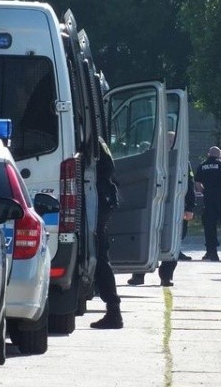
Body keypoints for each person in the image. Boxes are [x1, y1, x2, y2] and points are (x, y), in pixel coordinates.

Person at [127, 161, 196, 286]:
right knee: (145, 238)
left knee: (173, 241)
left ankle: (166, 276)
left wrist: (190, 207)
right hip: (151, 203)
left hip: (173, 204)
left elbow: (189, 182)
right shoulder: (151, 154)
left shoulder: (181, 159)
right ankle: (138, 274)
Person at [90, 136, 122, 329]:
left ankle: (113, 310)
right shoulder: (99, 140)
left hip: (100, 198)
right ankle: (113, 309)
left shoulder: (94, 141)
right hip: (105, 197)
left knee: (100, 255)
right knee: (101, 254)